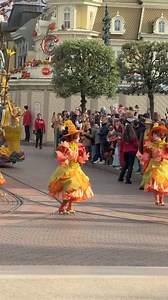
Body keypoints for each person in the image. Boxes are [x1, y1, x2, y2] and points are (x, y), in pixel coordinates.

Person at [48, 121, 94, 215]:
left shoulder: (79, 147)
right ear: (73, 137)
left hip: (76, 169)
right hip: (66, 170)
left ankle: (70, 206)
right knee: (69, 190)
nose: (79, 138)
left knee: (76, 189)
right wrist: (65, 158)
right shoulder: (65, 146)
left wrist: (81, 158)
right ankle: (62, 207)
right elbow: (61, 157)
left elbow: (78, 158)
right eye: (77, 136)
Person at [139, 123, 168, 206]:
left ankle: (161, 200)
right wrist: (143, 159)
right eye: (153, 134)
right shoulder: (149, 145)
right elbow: (146, 154)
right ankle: (156, 199)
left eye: (155, 134)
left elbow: (166, 155)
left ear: (160, 135)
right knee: (154, 183)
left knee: (162, 183)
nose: (153, 136)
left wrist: (162, 157)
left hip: (163, 166)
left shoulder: (165, 145)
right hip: (153, 165)